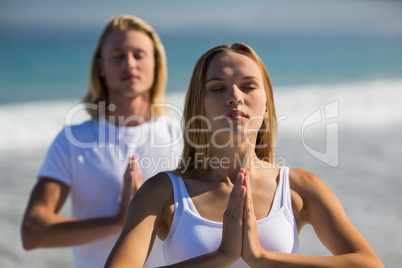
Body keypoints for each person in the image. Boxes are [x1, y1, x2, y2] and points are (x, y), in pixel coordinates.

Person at [105, 43, 383, 267]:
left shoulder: (299, 187)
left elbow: (369, 264)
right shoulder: (162, 192)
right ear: (197, 108)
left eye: (248, 86)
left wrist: (262, 258)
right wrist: (220, 257)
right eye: (217, 88)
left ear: (266, 105)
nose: (235, 96)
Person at [21, 15, 182, 268]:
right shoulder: (73, 140)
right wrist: (120, 221)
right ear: (101, 67)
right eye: (118, 55)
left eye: (139, 54)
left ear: (156, 64)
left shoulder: (184, 138)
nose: (129, 63)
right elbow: (33, 231)